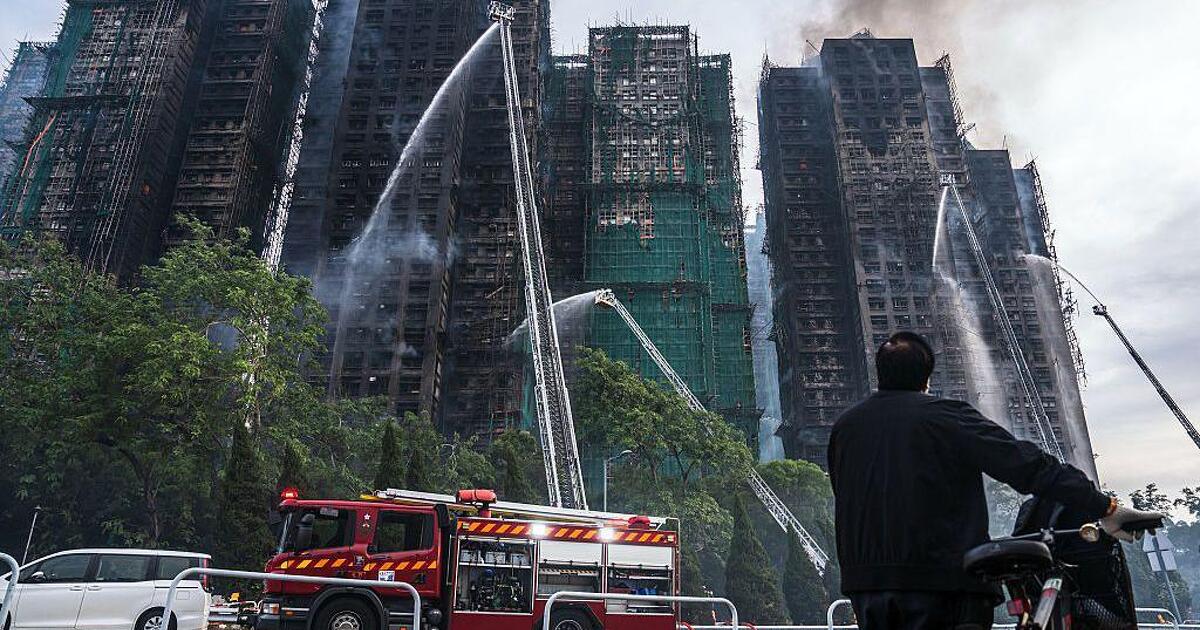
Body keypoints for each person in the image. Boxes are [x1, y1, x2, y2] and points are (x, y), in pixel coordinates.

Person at [827, 331, 1161, 630]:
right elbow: (1027, 466)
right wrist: (1106, 506)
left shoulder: (845, 429)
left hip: (866, 588)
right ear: (926, 378)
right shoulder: (945, 416)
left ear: (879, 373)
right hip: (943, 587)